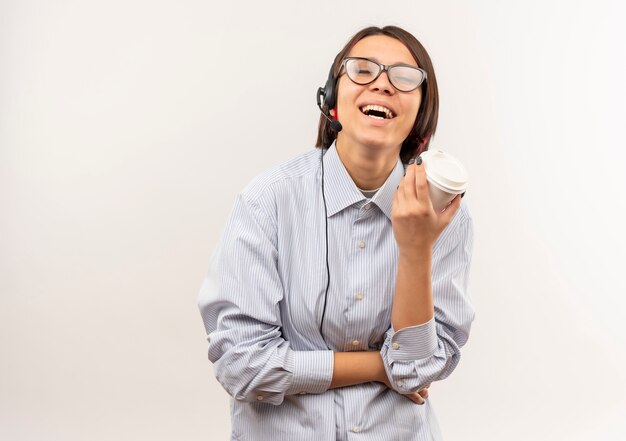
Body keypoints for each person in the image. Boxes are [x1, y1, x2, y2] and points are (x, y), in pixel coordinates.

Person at [198, 25, 475, 441]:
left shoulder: (445, 214)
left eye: (403, 77)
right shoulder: (267, 201)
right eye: (362, 70)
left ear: (421, 112)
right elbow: (242, 365)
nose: (382, 84)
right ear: (331, 99)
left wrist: (416, 249)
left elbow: (417, 370)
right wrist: (379, 367)